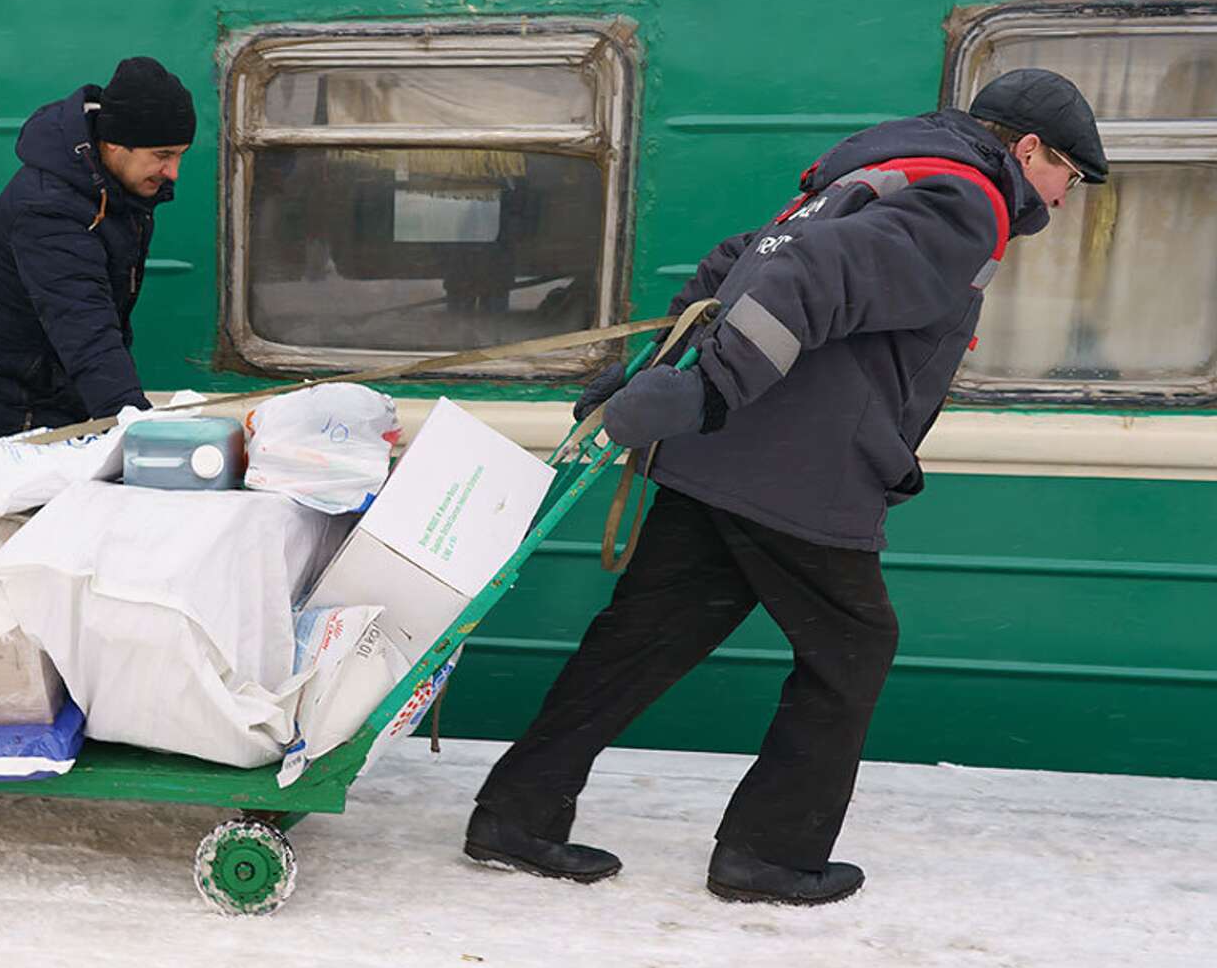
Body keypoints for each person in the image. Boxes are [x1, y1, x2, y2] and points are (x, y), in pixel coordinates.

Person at [467, 69, 1106, 904]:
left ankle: (514, 815)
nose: (1061, 200)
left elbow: (737, 263)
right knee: (853, 647)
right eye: (1069, 177)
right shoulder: (968, 198)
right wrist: (707, 388)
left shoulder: (871, 175)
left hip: (725, 459)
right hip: (798, 471)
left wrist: (658, 376)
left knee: (642, 638)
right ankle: (769, 854)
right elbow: (813, 283)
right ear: (1028, 149)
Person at [0, 56, 195, 454]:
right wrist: (139, 431)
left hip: (55, 400)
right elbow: (85, 328)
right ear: (113, 143)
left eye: (180, 155)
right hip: (9, 417)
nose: (173, 172)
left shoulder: (118, 193)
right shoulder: (49, 210)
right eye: (163, 155)